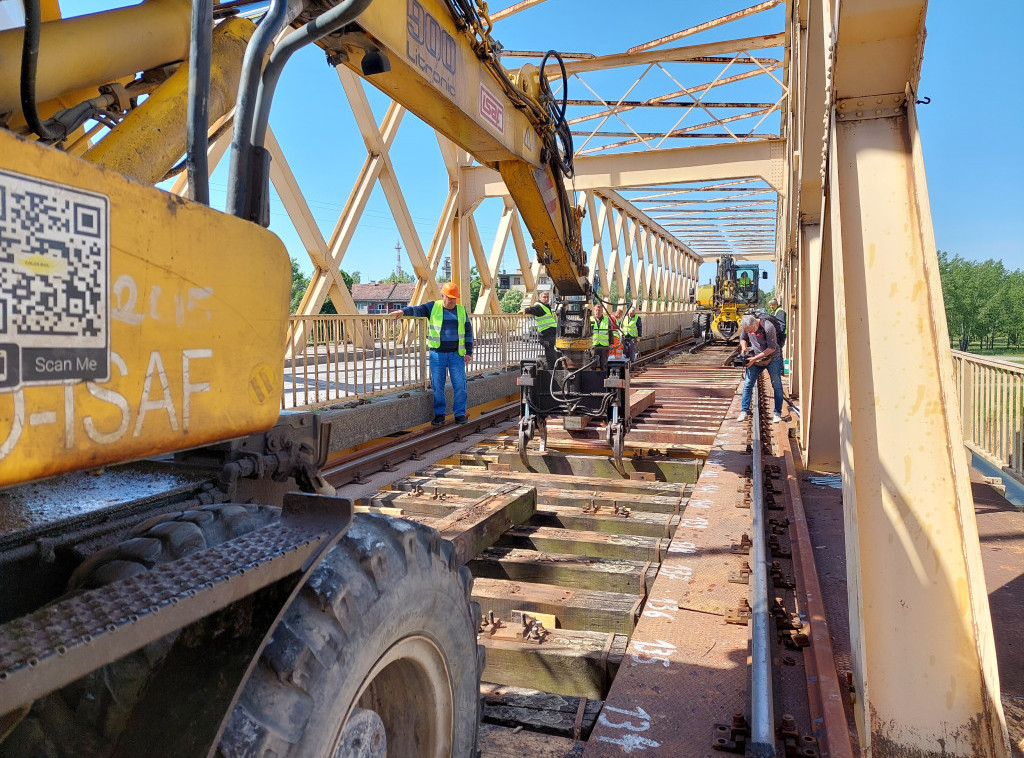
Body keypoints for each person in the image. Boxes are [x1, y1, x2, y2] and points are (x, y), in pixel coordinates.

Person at [391, 282, 473, 425]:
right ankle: (440, 415)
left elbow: (468, 332)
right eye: (450, 298)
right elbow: (418, 310)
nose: (453, 301)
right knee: (438, 386)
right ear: (443, 296)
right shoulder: (433, 307)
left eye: (455, 298)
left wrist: (469, 352)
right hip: (437, 355)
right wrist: (404, 311)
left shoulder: (461, 310)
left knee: (460, 385)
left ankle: (460, 414)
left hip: (456, 355)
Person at [737, 312, 784, 424]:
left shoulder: (768, 327)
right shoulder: (747, 326)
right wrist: (744, 348)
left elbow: (772, 348)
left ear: (755, 324)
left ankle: (777, 413)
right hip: (756, 358)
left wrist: (754, 359)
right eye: (747, 331)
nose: (750, 333)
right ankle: (744, 411)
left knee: (776, 385)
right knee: (748, 384)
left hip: (772, 359)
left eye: (751, 331)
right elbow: (742, 338)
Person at [523, 290, 559, 368]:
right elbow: (534, 309)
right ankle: (551, 368)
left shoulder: (546, 307)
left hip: (550, 333)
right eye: (544, 297)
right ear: (540, 298)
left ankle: (552, 367)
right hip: (545, 333)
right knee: (549, 351)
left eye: (547, 297)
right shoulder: (539, 306)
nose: (546, 299)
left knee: (551, 350)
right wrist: (525, 310)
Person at [590, 302, 612, 370]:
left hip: (604, 346)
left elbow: (610, 332)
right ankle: (593, 377)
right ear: (594, 311)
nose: (597, 312)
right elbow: (586, 333)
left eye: (599, 310)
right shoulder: (590, 320)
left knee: (604, 363)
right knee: (593, 363)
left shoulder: (606, 319)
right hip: (594, 345)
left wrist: (611, 343)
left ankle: (604, 377)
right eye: (596, 310)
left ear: (602, 311)